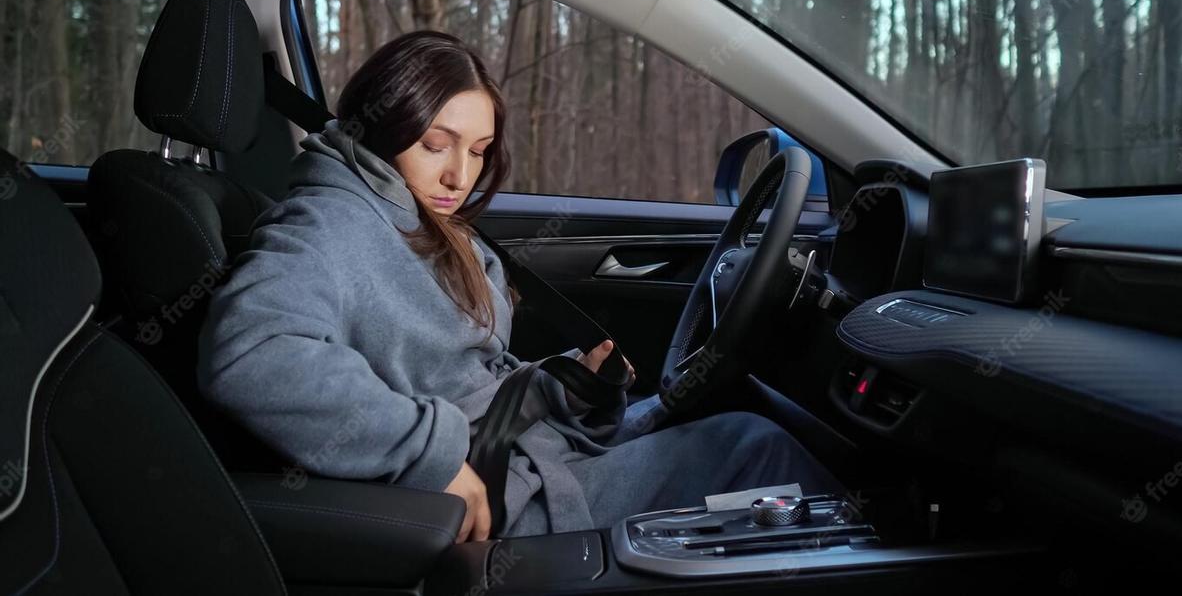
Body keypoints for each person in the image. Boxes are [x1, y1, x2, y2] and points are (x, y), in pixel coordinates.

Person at [197, 30, 840, 543]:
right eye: (434, 144)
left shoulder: (413, 215)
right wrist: (429, 456)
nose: (459, 175)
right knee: (756, 453)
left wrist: (556, 384)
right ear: (380, 128)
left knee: (734, 427)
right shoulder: (329, 221)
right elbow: (253, 353)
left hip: (521, 453)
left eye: (478, 151)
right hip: (492, 500)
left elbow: (464, 373)